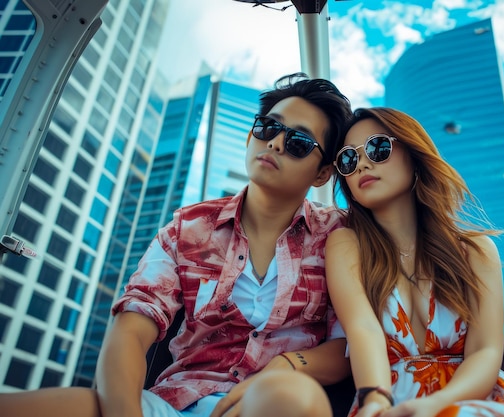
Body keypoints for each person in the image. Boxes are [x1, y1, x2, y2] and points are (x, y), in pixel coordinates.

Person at [0, 73, 353, 417]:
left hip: (274, 403)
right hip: (173, 403)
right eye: (268, 128)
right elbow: (131, 332)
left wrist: (285, 368)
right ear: (251, 137)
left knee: (293, 399)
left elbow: (347, 344)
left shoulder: (336, 235)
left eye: (298, 143)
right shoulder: (189, 227)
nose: (275, 143)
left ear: (322, 173)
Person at [325, 107, 504, 417]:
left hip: (474, 399)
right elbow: (363, 330)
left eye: (377, 148)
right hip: (386, 400)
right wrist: (375, 401)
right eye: (348, 159)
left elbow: (485, 351)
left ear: (414, 155)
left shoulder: (476, 251)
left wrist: (432, 406)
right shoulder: (347, 245)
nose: (361, 163)